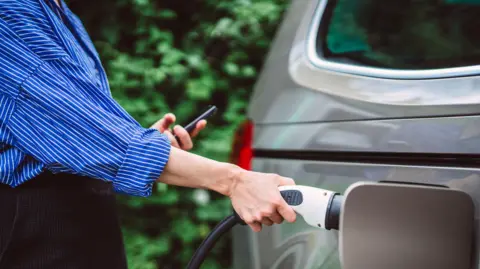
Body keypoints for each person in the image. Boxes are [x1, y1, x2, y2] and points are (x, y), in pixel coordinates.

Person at [0, 0, 297, 268]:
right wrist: (236, 180)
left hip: (78, 213)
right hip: (35, 224)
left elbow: (78, 127)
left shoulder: (56, 10)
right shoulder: (10, 12)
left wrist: (149, 145)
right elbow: (82, 128)